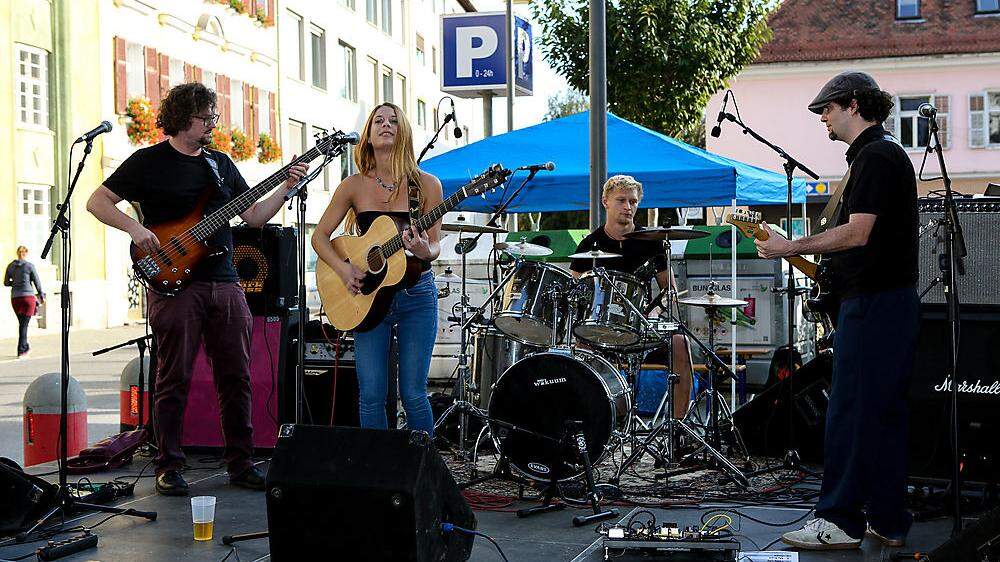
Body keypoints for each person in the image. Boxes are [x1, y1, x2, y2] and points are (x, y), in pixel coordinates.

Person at [86, 82, 308, 496]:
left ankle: (240, 463)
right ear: (183, 118)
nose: (211, 124)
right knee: (173, 377)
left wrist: (286, 187)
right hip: (174, 284)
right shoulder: (147, 162)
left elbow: (255, 217)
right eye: (205, 117)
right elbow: (97, 202)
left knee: (237, 376)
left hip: (224, 281)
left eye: (213, 117)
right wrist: (135, 228)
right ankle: (168, 465)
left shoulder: (220, 165)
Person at [756, 71, 919, 550]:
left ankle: (839, 520)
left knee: (847, 412)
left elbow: (858, 232)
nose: (822, 120)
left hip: (873, 304)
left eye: (826, 110)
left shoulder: (875, 156)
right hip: (888, 302)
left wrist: (792, 245)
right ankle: (889, 518)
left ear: (851, 104)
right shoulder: (883, 155)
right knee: (882, 414)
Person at [311, 103, 443, 436]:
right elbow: (319, 237)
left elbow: (435, 245)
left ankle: (422, 472)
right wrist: (343, 271)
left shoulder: (427, 185)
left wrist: (423, 249)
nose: (386, 125)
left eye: (394, 121)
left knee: (413, 394)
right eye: (378, 121)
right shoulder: (353, 185)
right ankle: (377, 473)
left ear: (404, 132)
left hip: (416, 295)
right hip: (367, 297)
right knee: (371, 394)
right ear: (368, 136)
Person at [569, 175, 693, 418]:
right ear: (605, 201)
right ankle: (594, 422)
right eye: (622, 200)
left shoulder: (652, 242)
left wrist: (655, 311)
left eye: (633, 202)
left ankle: (679, 426)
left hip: (642, 326)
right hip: (602, 328)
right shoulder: (589, 245)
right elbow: (573, 290)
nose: (628, 207)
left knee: (681, 343)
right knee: (580, 348)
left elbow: (671, 292)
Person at [5, 246, 45, 358]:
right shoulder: (29, 266)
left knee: (22, 324)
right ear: (26, 253)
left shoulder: (10, 266)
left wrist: (16, 282)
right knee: (24, 325)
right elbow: (37, 282)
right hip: (28, 298)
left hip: (15, 298)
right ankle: (22, 350)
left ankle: (25, 346)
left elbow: (6, 283)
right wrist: (41, 295)